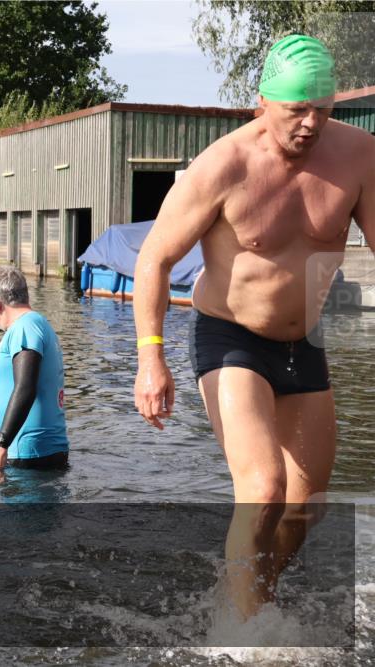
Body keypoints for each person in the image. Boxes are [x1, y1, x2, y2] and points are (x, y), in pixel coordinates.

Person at [132, 35, 375, 619]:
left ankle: (251, 596)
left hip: (304, 344)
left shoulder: (361, 155)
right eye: (298, 110)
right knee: (262, 488)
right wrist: (150, 356)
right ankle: (240, 640)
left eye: (324, 108)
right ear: (261, 102)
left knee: (303, 507)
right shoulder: (224, 165)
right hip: (230, 337)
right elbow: (154, 260)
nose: (312, 123)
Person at [0, 265, 69, 470]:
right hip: (35, 450)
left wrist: (0, 445)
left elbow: (25, 388)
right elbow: (34, 387)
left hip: (28, 453)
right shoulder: (35, 324)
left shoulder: (25, 327)